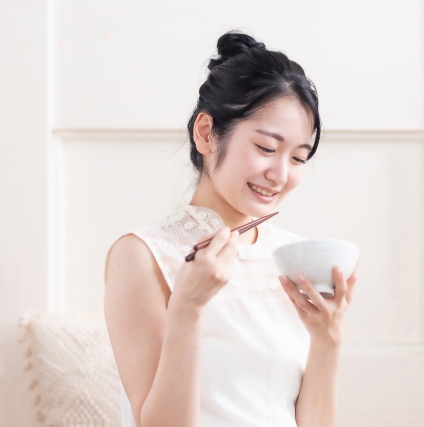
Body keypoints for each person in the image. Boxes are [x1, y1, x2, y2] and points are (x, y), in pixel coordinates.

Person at [103, 31, 358, 427]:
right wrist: (187, 308)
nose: (280, 174)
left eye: (298, 158)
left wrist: (328, 339)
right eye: (266, 149)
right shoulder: (141, 254)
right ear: (206, 133)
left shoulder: (293, 258)